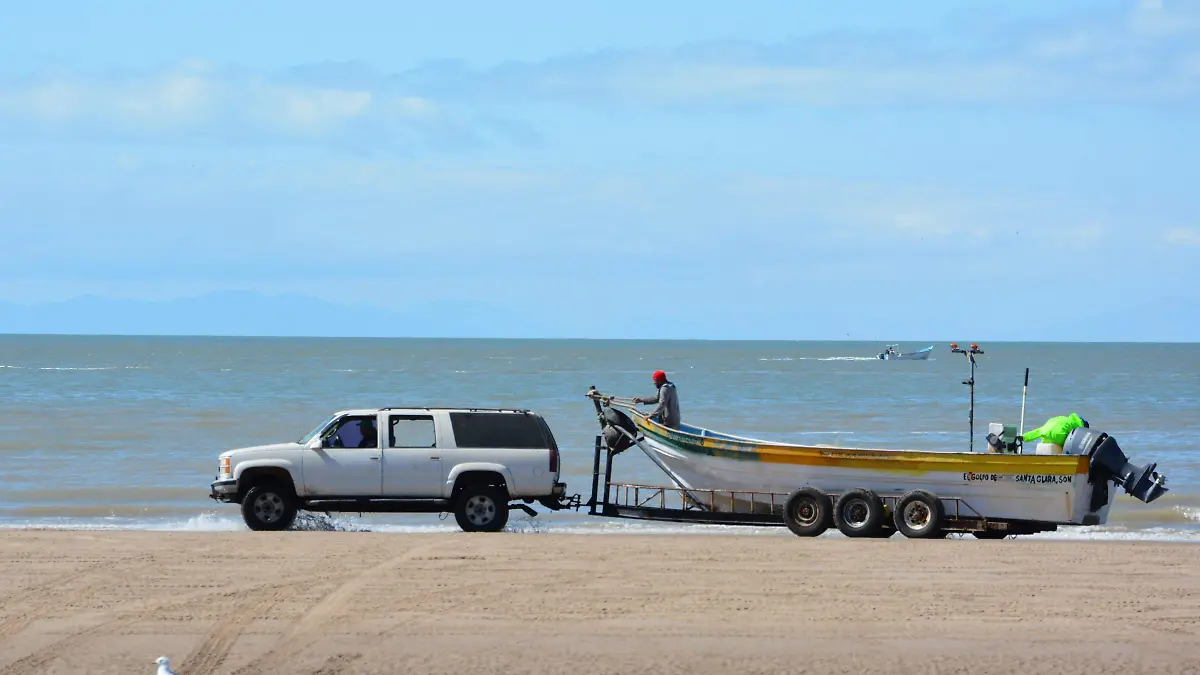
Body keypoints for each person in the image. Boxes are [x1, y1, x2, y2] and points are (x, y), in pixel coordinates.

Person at [1021, 413, 1089, 447]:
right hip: (1060, 435)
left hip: (1045, 434)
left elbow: (1037, 431)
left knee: (1039, 431)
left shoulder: (1064, 418)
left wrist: (1024, 437)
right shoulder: (1079, 426)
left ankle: (1023, 437)